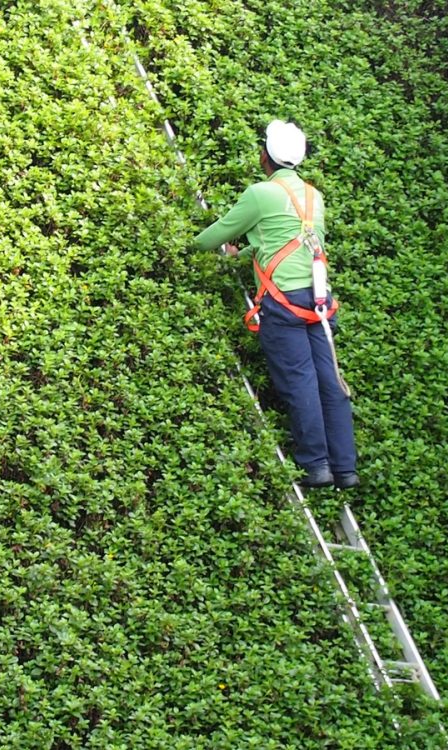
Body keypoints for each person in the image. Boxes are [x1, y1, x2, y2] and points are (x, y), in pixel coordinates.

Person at [193, 120, 359, 489]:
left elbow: (214, 237)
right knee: (329, 380)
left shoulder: (260, 194)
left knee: (300, 381)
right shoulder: (314, 197)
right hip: (317, 300)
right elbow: (293, 240)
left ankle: (315, 465)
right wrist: (249, 252)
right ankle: (345, 468)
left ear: (264, 155)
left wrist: (188, 247)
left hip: (283, 306)